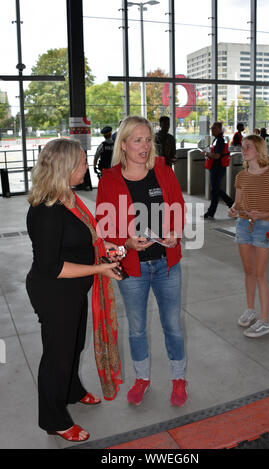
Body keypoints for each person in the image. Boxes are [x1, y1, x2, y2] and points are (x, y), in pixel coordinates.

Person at [26, 138, 123, 442]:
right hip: (54, 292)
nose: (87, 167)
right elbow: (52, 268)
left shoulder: (68, 197)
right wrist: (100, 269)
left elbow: (83, 239)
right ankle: (53, 419)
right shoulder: (47, 211)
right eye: (82, 162)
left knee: (74, 345)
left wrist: (105, 247)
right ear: (66, 168)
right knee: (58, 356)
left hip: (73, 288)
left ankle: (72, 390)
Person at [96, 116, 187, 407]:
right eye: (137, 140)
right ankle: (142, 378)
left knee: (172, 324)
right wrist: (126, 242)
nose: (145, 146)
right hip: (133, 268)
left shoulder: (162, 169)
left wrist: (174, 231)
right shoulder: (110, 179)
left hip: (166, 264)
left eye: (148, 139)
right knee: (136, 328)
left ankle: (178, 378)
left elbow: (178, 207)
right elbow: (103, 224)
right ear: (123, 144)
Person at [228, 135, 269, 338]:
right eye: (243, 147)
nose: (244, 150)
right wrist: (233, 210)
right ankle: (250, 309)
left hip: (263, 226)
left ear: (259, 149)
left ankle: (265, 320)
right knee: (248, 271)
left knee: (260, 274)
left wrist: (263, 214)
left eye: (248, 147)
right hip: (243, 225)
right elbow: (237, 202)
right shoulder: (241, 176)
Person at [203, 122, 234, 219]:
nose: (212, 130)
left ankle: (211, 212)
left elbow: (217, 155)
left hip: (218, 168)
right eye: (211, 128)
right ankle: (231, 204)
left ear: (220, 129)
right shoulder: (217, 139)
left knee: (215, 190)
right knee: (216, 189)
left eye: (214, 128)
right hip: (216, 167)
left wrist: (207, 154)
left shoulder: (220, 140)